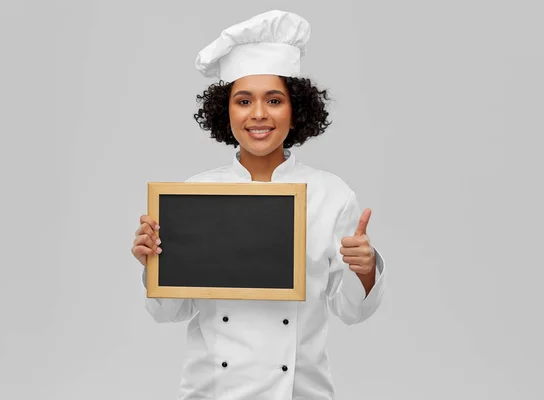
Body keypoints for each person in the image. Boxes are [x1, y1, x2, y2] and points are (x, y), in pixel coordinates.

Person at [131, 10, 386, 400]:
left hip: (301, 392)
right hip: (212, 391)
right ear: (226, 110)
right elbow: (169, 311)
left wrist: (365, 270)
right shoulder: (195, 194)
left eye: (274, 100)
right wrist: (154, 263)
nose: (259, 114)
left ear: (295, 110)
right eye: (244, 100)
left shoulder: (330, 195)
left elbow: (352, 311)